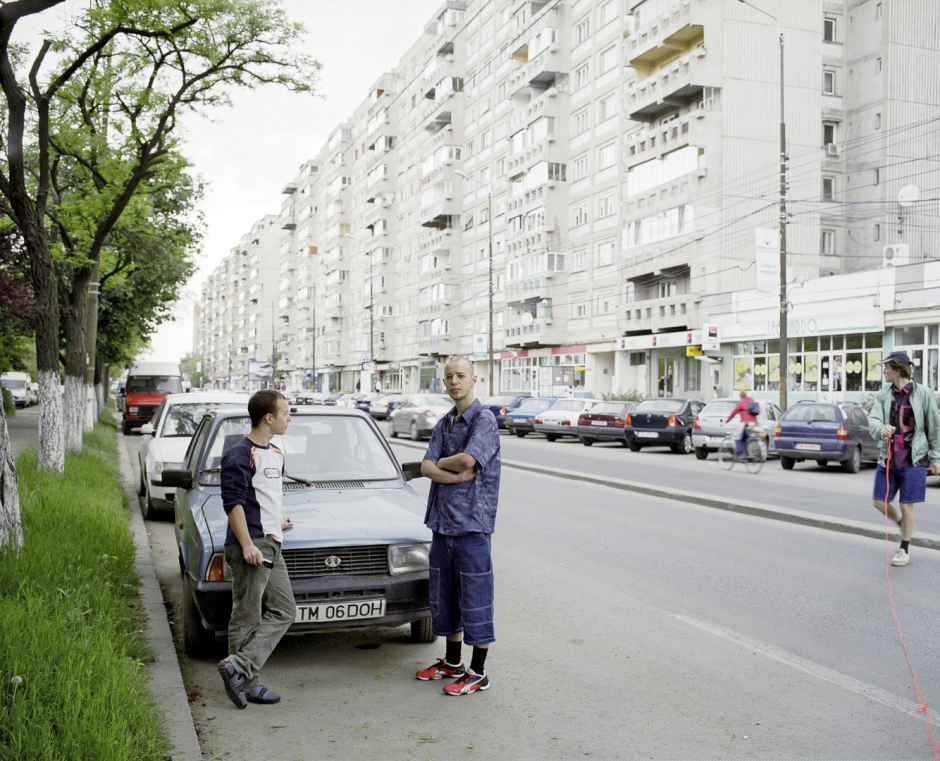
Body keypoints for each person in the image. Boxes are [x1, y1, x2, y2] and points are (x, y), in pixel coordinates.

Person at [416, 355, 501, 696]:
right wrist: (445, 468)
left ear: (473, 379)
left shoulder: (484, 421)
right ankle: (453, 663)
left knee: (476, 599)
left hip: (471, 528)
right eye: (449, 376)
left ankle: (478, 672)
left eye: (460, 375)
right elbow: (425, 467)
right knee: (446, 597)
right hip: (442, 525)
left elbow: (469, 460)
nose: (454, 381)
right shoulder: (445, 423)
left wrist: (442, 463)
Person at [217, 389, 294, 709]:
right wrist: (247, 543)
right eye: (285, 413)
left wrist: (277, 520)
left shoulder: (275, 452)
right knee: (246, 616)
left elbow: (261, 497)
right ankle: (248, 683)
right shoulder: (238, 455)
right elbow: (233, 504)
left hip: (271, 541)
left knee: (285, 610)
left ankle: (238, 666)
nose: (289, 418)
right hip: (251, 546)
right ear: (268, 417)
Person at [869, 351, 940, 567]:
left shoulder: (924, 394)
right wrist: (882, 429)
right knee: (879, 501)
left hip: (914, 460)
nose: (884, 371)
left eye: (887, 367)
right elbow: (873, 420)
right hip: (888, 459)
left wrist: (936, 457)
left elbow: (933, 427)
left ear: (898, 368)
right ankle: (902, 523)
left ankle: (904, 549)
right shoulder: (883, 395)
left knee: (907, 505)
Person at [725, 389, 758, 456]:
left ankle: (742, 452)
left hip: (745, 423)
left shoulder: (741, 403)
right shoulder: (751, 400)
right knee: (746, 438)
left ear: (740, 396)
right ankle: (749, 453)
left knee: (737, 437)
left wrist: (727, 420)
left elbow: (734, 413)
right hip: (754, 423)